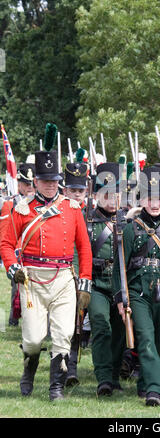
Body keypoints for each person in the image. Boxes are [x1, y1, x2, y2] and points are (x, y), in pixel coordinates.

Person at [0, 124, 92, 401]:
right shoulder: (21, 209)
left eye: (54, 180)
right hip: (32, 278)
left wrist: (85, 280)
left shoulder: (71, 208)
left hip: (63, 277)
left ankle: (56, 388)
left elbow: (83, 247)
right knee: (32, 338)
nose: (50, 185)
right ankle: (29, 368)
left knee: (63, 334)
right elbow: (5, 243)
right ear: (36, 181)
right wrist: (12, 266)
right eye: (45, 180)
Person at [113, 166, 160, 406]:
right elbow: (120, 267)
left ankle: (144, 383)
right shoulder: (131, 228)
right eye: (149, 198)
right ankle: (154, 389)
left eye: (159, 198)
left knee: (156, 340)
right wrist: (121, 299)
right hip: (138, 290)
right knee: (144, 336)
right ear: (142, 200)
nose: (155, 203)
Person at [87, 162, 127, 397]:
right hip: (96, 284)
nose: (111, 199)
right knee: (101, 326)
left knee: (120, 330)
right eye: (106, 194)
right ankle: (103, 377)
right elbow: (77, 254)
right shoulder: (88, 222)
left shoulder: (127, 222)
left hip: (120, 285)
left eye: (115, 194)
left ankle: (113, 374)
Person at [62, 154, 89, 387]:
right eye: (73, 189)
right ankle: (69, 368)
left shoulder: (93, 212)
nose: (77, 193)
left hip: (91, 273)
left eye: (80, 189)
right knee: (71, 324)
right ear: (65, 189)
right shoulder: (60, 212)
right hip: (68, 272)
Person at [0, 162, 36, 326]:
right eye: (25, 184)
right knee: (17, 288)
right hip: (18, 251)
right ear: (19, 183)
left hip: (36, 252)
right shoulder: (11, 204)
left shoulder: (40, 203)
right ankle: (14, 318)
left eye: (31, 183)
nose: (29, 187)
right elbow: (5, 233)